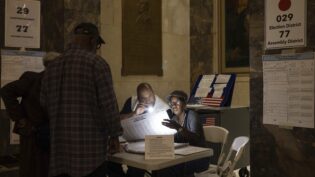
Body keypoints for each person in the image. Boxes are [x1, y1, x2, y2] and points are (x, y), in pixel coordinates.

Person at [40, 22, 122, 177]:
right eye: (98, 45)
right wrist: (115, 134)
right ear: (92, 41)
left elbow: (44, 102)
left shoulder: (52, 66)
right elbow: (108, 106)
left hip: (60, 153)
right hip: (90, 155)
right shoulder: (97, 64)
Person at [0, 51, 60, 177]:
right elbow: (6, 91)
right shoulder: (33, 79)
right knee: (32, 169)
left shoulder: (60, 82)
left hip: (48, 135)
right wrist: (20, 118)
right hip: (32, 133)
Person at [107, 82, 169, 177]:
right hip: (130, 142)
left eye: (150, 97)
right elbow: (117, 118)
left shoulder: (164, 108)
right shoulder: (132, 101)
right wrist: (134, 114)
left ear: (153, 93)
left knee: (136, 165)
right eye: (144, 99)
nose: (148, 101)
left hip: (153, 145)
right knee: (110, 160)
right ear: (139, 99)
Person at [159, 90, 210, 177]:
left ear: (184, 104)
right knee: (160, 167)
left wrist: (178, 128)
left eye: (177, 102)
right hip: (182, 156)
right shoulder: (174, 120)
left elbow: (196, 139)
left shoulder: (192, 116)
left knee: (168, 168)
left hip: (198, 157)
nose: (174, 105)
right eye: (171, 103)